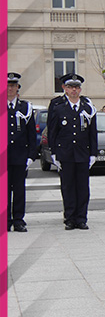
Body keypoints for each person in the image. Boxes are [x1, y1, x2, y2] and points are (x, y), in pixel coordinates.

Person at [46, 73, 98, 230]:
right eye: (70, 87)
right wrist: (54, 152)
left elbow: (92, 132)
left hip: (82, 153)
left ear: (80, 89)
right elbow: (53, 132)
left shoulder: (88, 108)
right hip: (65, 153)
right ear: (64, 88)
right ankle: (70, 217)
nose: (74, 90)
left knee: (82, 187)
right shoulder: (58, 107)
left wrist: (93, 153)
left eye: (76, 87)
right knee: (68, 187)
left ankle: (81, 218)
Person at [7, 72, 36, 232]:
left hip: (20, 156)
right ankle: (5, 220)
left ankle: (18, 220)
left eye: (13, 86)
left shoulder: (25, 107)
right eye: (8, 86)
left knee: (19, 190)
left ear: (18, 88)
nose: (10, 88)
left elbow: (31, 133)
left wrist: (31, 155)